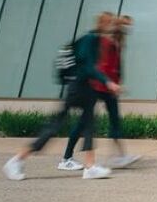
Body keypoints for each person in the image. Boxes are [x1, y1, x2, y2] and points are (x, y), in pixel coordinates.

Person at [3, 13, 120, 180]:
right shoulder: (90, 39)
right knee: (56, 125)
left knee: (88, 124)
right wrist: (107, 81)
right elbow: (87, 66)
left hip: (84, 86)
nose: (112, 26)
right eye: (110, 23)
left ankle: (90, 167)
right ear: (102, 23)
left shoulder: (95, 39)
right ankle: (17, 160)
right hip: (78, 87)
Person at [59, 14, 140, 171]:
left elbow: (117, 66)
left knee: (115, 120)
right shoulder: (103, 41)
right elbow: (98, 65)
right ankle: (67, 157)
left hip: (109, 88)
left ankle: (120, 156)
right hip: (97, 86)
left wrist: (117, 83)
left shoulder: (118, 41)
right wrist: (108, 82)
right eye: (126, 25)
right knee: (84, 122)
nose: (129, 28)